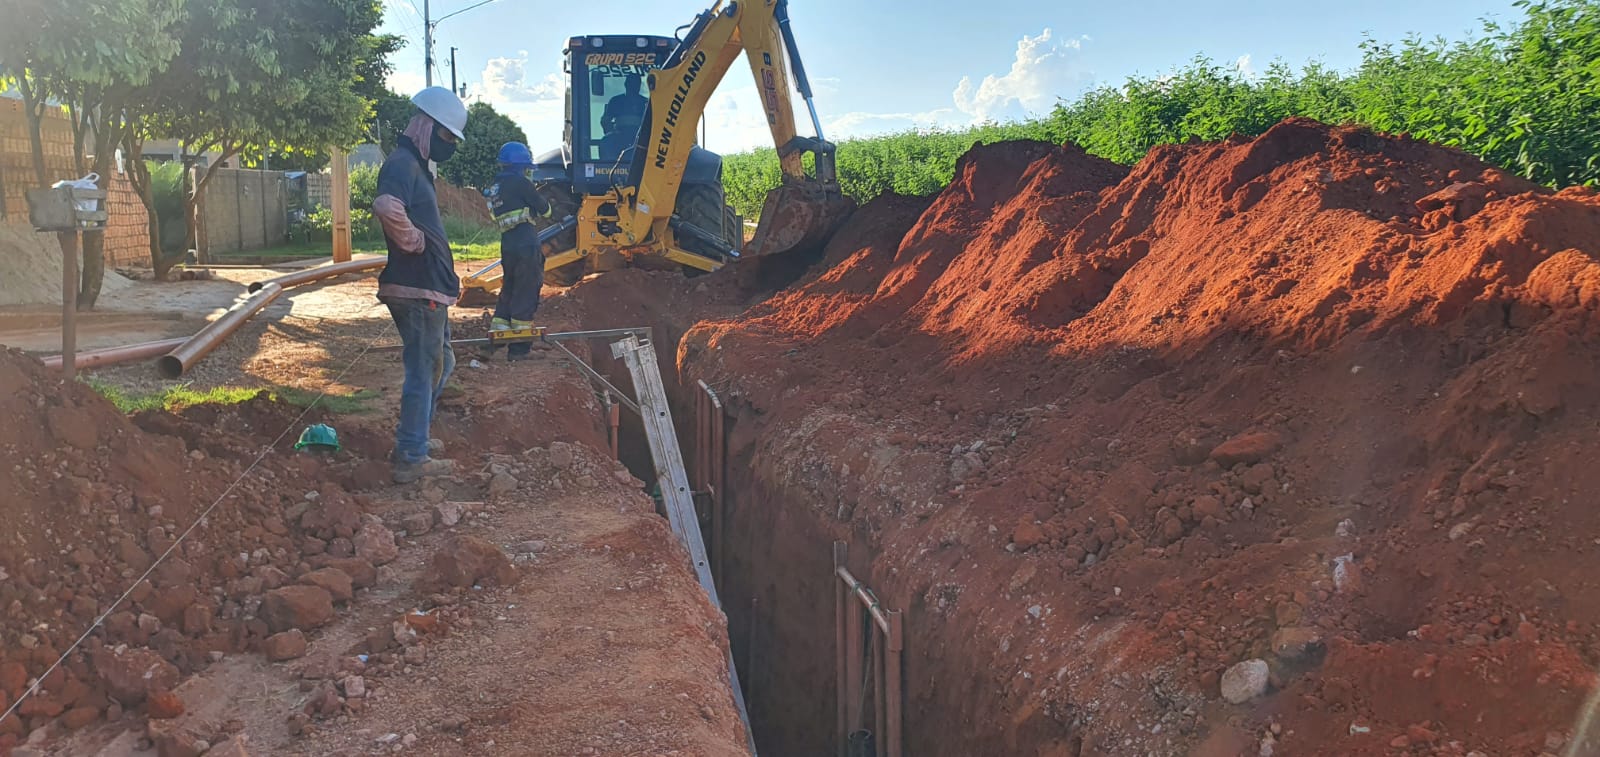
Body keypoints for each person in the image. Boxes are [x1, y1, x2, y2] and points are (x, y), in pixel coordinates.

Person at [372, 86, 469, 484]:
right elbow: (386, 206)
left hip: (429, 289)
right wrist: (415, 242)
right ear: (427, 126)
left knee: (440, 363)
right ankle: (412, 455)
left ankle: (417, 439)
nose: (448, 146)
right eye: (446, 137)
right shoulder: (402, 163)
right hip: (417, 290)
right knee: (424, 368)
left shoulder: (416, 167)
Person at [482, 141, 551, 362]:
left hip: (507, 244)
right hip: (526, 243)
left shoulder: (494, 187)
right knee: (527, 289)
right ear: (522, 165)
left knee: (510, 286)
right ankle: (519, 350)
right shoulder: (522, 183)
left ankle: (498, 336)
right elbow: (545, 210)